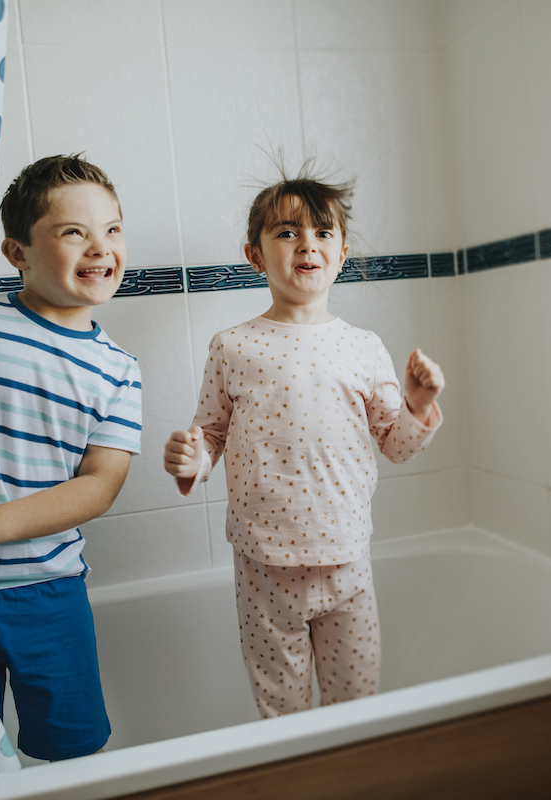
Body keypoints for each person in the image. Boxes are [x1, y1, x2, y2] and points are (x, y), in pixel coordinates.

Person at [163, 166, 445, 717]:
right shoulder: (234, 346)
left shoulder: (363, 347)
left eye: (322, 233)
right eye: (287, 232)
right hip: (264, 567)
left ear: (341, 254)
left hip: (347, 561)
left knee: (355, 704)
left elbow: (396, 444)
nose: (306, 245)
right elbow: (212, 434)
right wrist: (191, 461)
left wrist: (415, 406)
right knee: (281, 710)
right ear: (255, 255)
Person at [0, 155, 142, 760]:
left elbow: (99, 486)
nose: (101, 247)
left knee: (72, 749)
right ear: (16, 252)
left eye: (114, 229)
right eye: (74, 231)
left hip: (49, 589)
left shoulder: (118, 371)